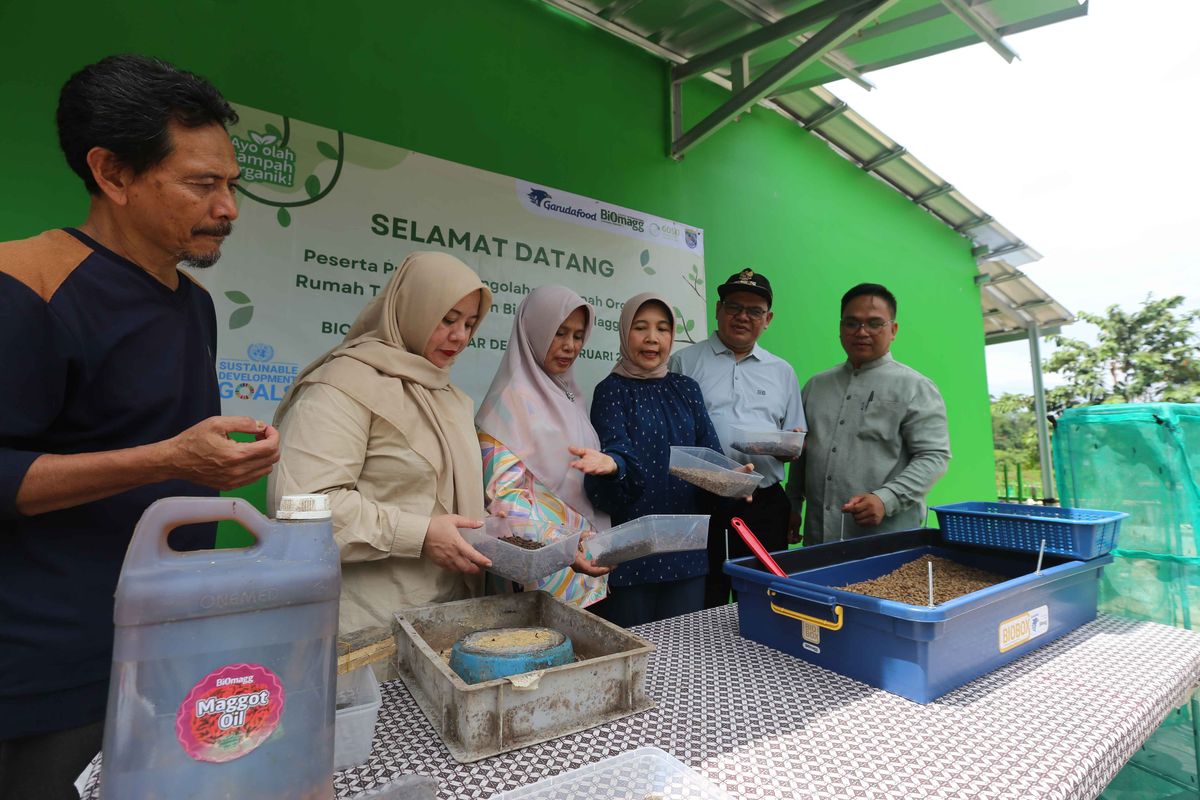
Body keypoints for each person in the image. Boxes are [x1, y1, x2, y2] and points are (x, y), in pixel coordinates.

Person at [0, 55, 280, 799]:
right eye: (202, 184)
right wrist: (166, 459)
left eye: (232, 183)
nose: (229, 207)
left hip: (170, 649)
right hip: (55, 674)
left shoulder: (194, 304)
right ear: (114, 174)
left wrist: (209, 460)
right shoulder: (25, 282)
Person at [268, 251, 495, 655]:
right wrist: (419, 534)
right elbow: (297, 507)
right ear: (413, 308)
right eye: (447, 319)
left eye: (470, 323)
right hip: (365, 638)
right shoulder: (341, 386)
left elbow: (449, 501)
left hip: (446, 628)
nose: (460, 335)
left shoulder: (450, 398)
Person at [586, 293, 728, 626]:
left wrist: (732, 480)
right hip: (630, 553)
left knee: (685, 655)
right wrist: (613, 467)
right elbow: (617, 455)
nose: (653, 338)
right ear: (624, 333)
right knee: (637, 658)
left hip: (687, 548)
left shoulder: (687, 388)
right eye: (641, 327)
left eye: (663, 329)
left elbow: (709, 455)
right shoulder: (610, 390)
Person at [669, 269, 805, 608]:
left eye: (755, 310)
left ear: (768, 319)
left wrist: (791, 446)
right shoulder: (684, 362)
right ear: (718, 309)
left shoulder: (782, 371)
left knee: (766, 595)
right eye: (733, 306)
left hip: (764, 504)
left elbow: (794, 437)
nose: (742, 316)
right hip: (703, 501)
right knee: (705, 598)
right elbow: (670, 440)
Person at [475, 285, 616, 606]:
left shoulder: (569, 396)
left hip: (583, 574)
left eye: (578, 336)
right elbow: (504, 501)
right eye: (559, 333)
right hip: (538, 579)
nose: (570, 346)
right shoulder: (507, 406)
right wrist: (564, 545)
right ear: (534, 331)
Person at [787, 283, 951, 544]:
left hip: (886, 542)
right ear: (841, 328)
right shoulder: (816, 386)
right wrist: (792, 505)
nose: (861, 332)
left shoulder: (915, 386)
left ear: (893, 330)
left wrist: (886, 499)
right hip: (818, 541)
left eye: (875, 323)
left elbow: (934, 456)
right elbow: (802, 452)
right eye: (852, 323)